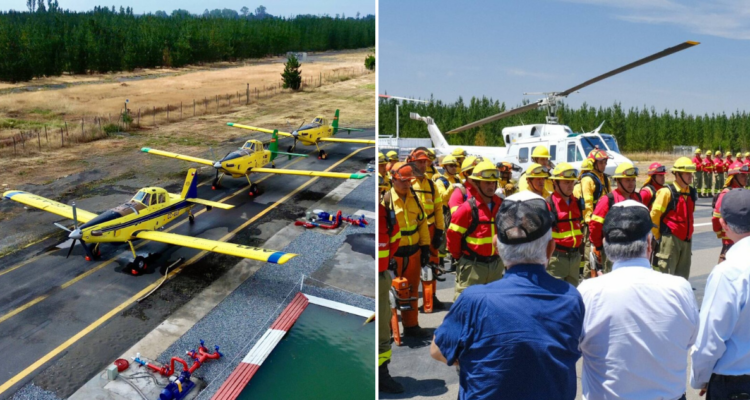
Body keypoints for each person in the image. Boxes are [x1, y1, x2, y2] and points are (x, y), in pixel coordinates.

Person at [431, 191, 583, 400]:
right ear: (551, 249)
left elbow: (438, 350)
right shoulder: (571, 298)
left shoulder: (474, 299)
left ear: (497, 247)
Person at [579, 200, 698, 400]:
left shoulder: (588, 292)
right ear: (649, 243)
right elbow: (690, 340)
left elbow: (575, 348)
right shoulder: (679, 288)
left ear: (607, 245)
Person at [691, 189, 750, 398]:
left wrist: (701, 377)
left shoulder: (728, 272)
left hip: (736, 383)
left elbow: (710, 339)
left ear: (724, 224)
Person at [382, 162, 431, 338]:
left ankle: (411, 326)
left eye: (409, 181)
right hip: (395, 255)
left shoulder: (415, 199)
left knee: (411, 291)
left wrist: (425, 248)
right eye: (404, 181)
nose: (407, 184)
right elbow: (383, 233)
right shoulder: (386, 201)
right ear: (393, 179)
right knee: (391, 294)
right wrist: (387, 257)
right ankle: (388, 329)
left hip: (414, 253)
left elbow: (422, 224)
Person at [446, 161, 504, 299]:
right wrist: (461, 259)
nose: (491, 186)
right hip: (472, 266)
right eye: (486, 183)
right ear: (477, 184)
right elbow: (453, 236)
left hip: (496, 265)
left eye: (493, 183)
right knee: (466, 309)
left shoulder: (502, 205)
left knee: (493, 308)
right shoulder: (466, 209)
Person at [409, 149, 446, 312]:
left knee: (433, 264)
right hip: (414, 231)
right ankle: (412, 302)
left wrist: (439, 230)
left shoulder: (431, 184)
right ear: (412, 162)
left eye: (425, 162)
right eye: (420, 162)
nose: (423, 165)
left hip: (431, 229)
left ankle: (431, 297)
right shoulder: (407, 183)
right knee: (415, 266)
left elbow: (438, 208)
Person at [589, 162, 641, 275]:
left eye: (633, 180)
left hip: (635, 252)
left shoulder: (637, 198)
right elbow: (595, 225)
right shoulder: (608, 200)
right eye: (627, 180)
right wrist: (599, 246)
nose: (631, 183)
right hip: (613, 252)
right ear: (618, 181)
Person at [650, 157, 697, 279]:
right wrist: (658, 236)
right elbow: (654, 215)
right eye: (687, 173)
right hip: (670, 239)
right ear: (678, 174)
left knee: (682, 279)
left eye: (691, 173)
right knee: (666, 278)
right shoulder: (666, 192)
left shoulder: (691, 192)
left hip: (686, 241)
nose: (690, 176)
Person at [377, 174, 403, 393]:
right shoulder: (383, 215)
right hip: (376, 275)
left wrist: (384, 263)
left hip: (381, 276)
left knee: (383, 330)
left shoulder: (386, 215)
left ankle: (381, 375)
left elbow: (395, 240)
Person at [547, 163, 584, 287]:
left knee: (573, 295)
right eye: (566, 182)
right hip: (556, 258)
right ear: (555, 183)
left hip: (574, 258)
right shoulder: (548, 205)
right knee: (555, 298)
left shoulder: (576, 202)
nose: (571, 185)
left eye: (572, 182)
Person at [581, 149, 611, 278]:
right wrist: (590, 221)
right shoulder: (588, 179)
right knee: (591, 257)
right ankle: (588, 281)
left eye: (605, 162)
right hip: (593, 223)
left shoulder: (604, 178)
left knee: (605, 255)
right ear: (593, 163)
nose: (604, 165)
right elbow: (587, 202)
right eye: (601, 162)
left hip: (605, 223)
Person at [712, 161, 749, 263]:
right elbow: (716, 218)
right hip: (729, 242)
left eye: (746, 175)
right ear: (733, 177)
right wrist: (720, 233)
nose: (746, 177)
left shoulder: (745, 193)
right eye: (742, 175)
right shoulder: (725, 194)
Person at [434, 155, 460, 272]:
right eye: (451, 166)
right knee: (444, 236)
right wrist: (452, 187)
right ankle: (441, 262)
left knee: (456, 235)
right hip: (446, 212)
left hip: (457, 210)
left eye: (455, 165)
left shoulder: (458, 179)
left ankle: (454, 262)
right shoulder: (441, 181)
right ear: (445, 167)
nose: (454, 168)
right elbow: (442, 196)